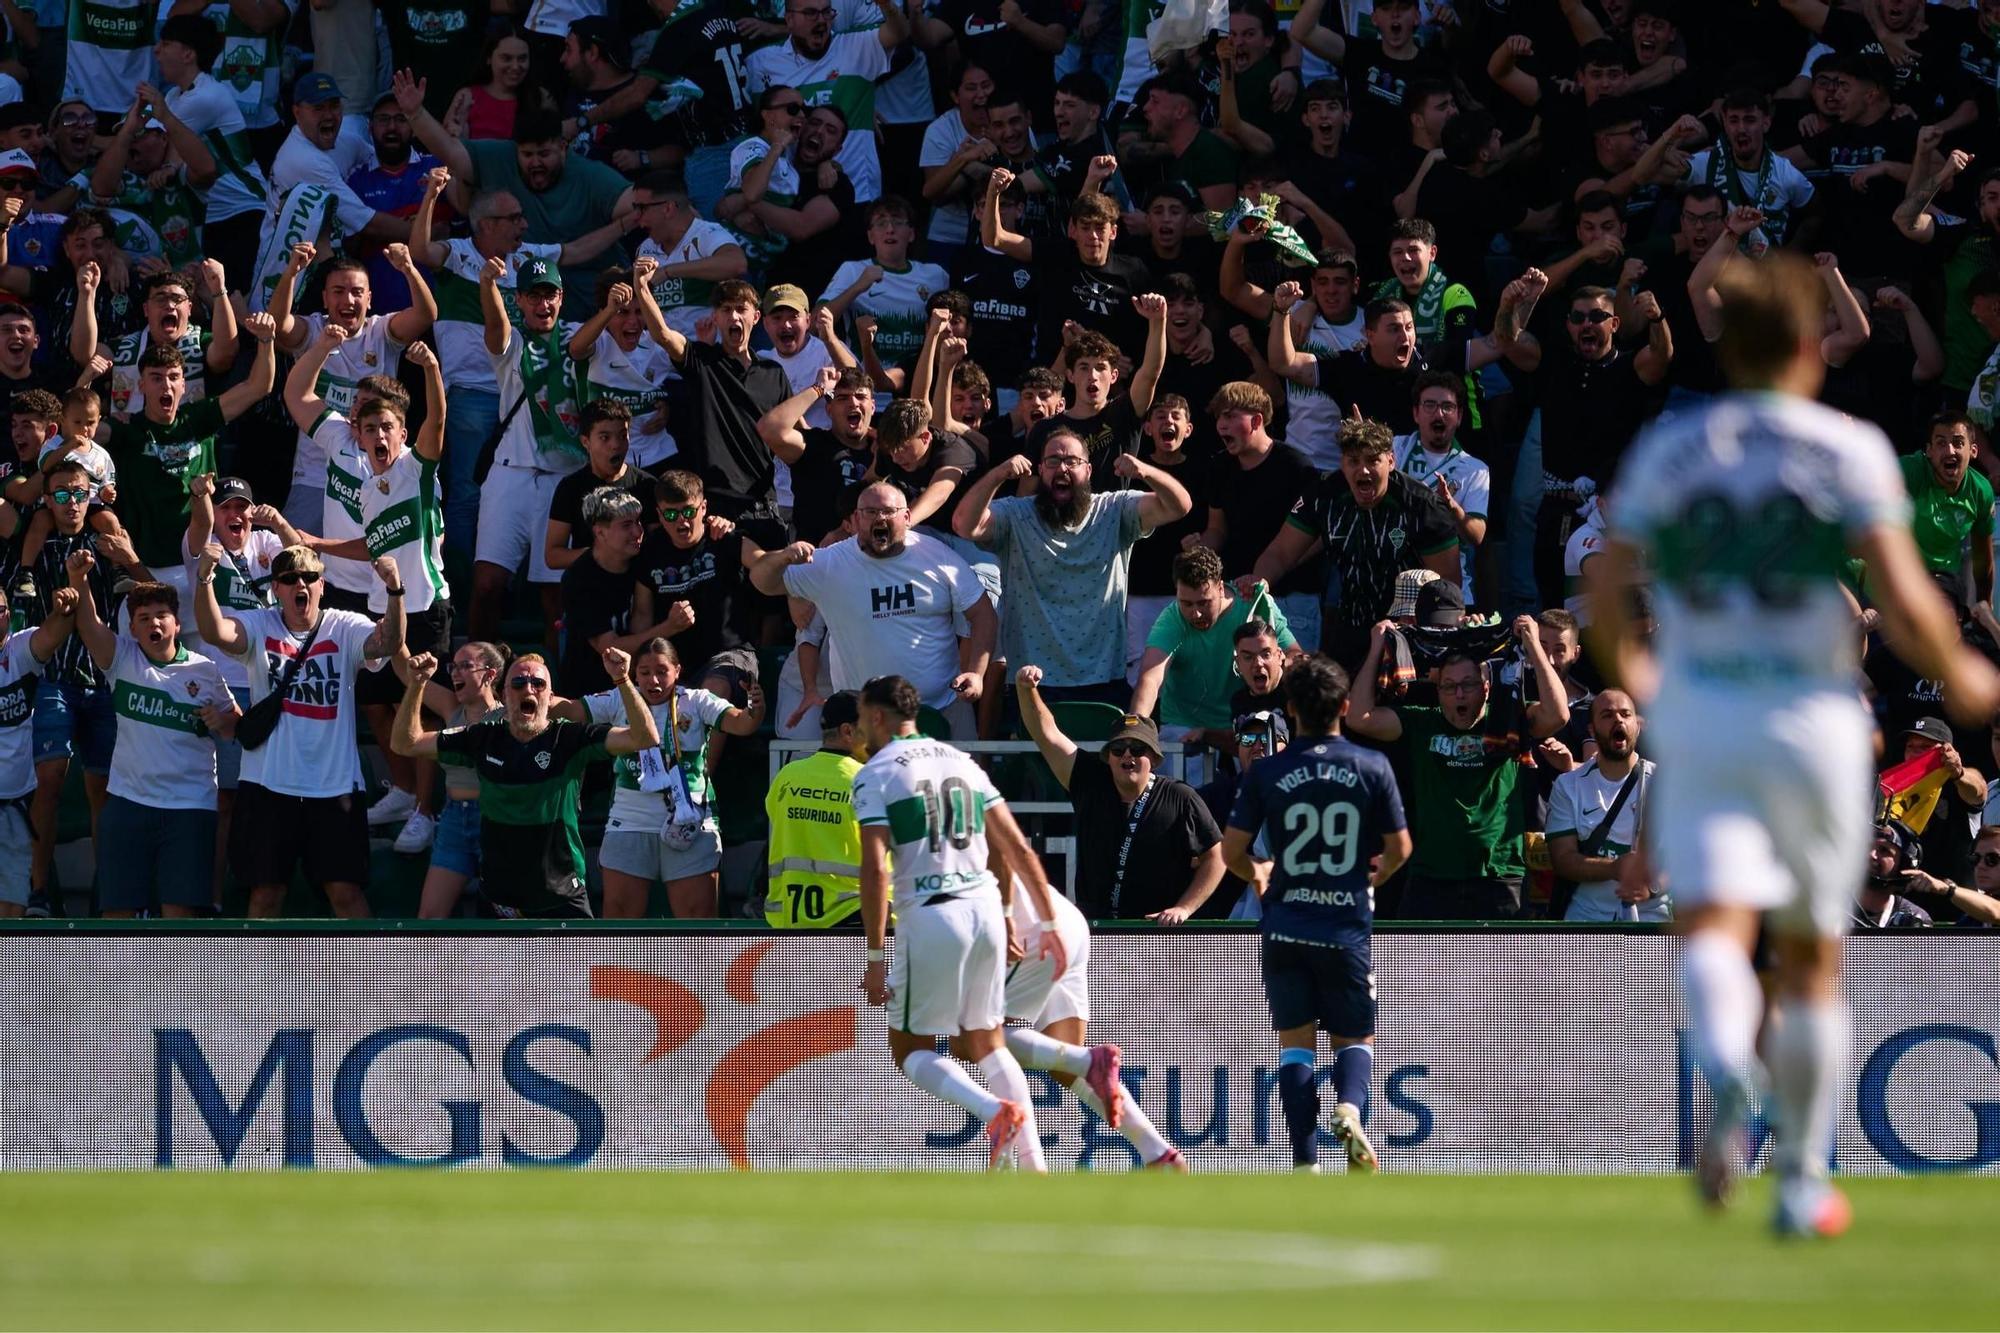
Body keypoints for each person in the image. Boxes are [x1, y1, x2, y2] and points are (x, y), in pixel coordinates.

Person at [1593, 251, 2000, 1234]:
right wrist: (1963, 672)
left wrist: (1643, 674)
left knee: (1713, 928)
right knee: (1813, 959)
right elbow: (1904, 597)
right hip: (1813, 718)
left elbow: (1606, 585)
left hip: (1706, 712)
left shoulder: (1673, 449)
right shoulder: (1844, 449)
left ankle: (1727, 1069)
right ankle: (1800, 1182)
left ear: (1726, 345)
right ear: (1812, 350)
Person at [851, 672, 1055, 1171]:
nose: (860, 728)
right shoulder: (962, 761)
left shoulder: (876, 773)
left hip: (931, 913)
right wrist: (1038, 921)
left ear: (876, 716)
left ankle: (993, 1112)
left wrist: (875, 956)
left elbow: (875, 869)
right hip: (985, 909)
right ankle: (1033, 1166)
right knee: (986, 1041)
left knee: (910, 1051)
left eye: (861, 718)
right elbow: (1015, 846)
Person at [1222, 653, 1408, 1173]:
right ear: (1345, 707)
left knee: (1295, 1046)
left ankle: (1305, 1164)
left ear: (1290, 709)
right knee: (1355, 1039)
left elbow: (1231, 852)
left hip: (1285, 927)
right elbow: (1401, 848)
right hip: (1344, 926)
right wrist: (1375, 877)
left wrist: (1259, 872)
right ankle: (1349, 1109)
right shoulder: (1371, 765)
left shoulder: (1268, 771)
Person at [284, 330, 452, 856]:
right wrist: (317, 543)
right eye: (367, 422)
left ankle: (429, 810)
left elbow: (438, 423)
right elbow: (371, 544)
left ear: (401, 431)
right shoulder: (366, 485)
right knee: (378, 703)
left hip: (423, 608)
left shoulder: (416, 469)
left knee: (421, 708)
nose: (375, 431)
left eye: (385, 425)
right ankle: (404, 794)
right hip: (381, 609)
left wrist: (431, 370)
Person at [194, 545, 407, 919]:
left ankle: (370, 961)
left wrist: (394, 591)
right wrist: (205, 579)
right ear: (276, 588)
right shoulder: (259, 623)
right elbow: (215, 632)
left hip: (335, 786)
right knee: (265, 894)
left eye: (309, 577)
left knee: (345, 893)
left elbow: (388, 642)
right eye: (290, 579)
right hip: (267, 784)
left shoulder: (344, 625)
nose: (300, 585)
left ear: (322, 585)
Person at [393, 645, 661, 918]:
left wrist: (622, 679)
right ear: (504, 695)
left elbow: (645, 737)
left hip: (562, 893)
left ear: (550, 696)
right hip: (500, 899)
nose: (528, 689)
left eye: (538, 683)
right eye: (518, 683)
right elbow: (405, 743)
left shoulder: (570, 737)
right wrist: (416, 685)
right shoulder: (482, 737)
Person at [1347, 616, 1571, 920]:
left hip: (1500, 874)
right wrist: (1376, 646)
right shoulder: (1422, 722)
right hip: (1432, 876)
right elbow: (1358, 717)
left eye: (1468, 685)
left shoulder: (1507, 717)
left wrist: (1533, 644)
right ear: (1438, 691)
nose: (1460, 695)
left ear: (1486, 688)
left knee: (1506, 955)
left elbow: (1558, 715)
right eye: (1449, 687)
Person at [953, 425, 1191, 707]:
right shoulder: (1015, 515)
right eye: (1053, 461)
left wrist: (1145, 472)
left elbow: (1179, 506)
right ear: (1040, 470)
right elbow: (964, 524)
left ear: (1088, 470)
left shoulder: (1115, 510)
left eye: (1072, 461)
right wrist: (997, 475)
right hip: (1033, 681)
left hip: (1104, 679)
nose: (1062, 468)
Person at [753, 481, 996, 739]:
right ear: (856, 519)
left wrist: (976, 673)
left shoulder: (937, 556)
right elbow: (763, 582)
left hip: (943, 708)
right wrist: (782, 558)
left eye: (889, 511)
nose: (880, 518)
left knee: (959, 767)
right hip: (866, 719)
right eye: (870, 512)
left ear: (907, 517)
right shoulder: (830, 563)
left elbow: (983, 613)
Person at [66, 569, 238, 919]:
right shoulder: (121, 659)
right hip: (128, 803)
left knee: (179, 914)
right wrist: (78, 578)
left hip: (190, 807)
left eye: (161, 615)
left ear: (177, 623)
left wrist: (223, 721)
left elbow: (236, 723)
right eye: (143, 618)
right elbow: (89, 624)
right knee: (117, 914)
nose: (153, 623)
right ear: (132, 629)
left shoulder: (205, 670)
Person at [552, 636, 762, 918]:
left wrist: (754, 707)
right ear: (635, 674)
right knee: (619, 926)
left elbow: (743, 723)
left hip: (691, 823)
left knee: (699, 927)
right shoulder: (620, 697)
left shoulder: (696, 701)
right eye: (645, 672)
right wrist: (535, 695)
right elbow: (570, 709)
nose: (653, 680)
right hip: (629, 821)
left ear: (678, 670)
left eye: (662, 671)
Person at [1014, 665, 1225, 920]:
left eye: (1137, 748)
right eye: (1118, 749)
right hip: (1099, 929)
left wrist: (1184, 908)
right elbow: (1046, 733)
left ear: (1154, 758)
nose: (1127, 755)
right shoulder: (1090, 781)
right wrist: (1026, 690)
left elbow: (1217, 857)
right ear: (1108, 757)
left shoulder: (1181, 797)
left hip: (1157, 932)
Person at [1252, 417, 1460, 671]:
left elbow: (1448, 584)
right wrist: (1259, 584)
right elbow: (1280, 553)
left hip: (1409, 629)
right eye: (1353, 461)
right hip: (1351, 622)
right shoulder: (1323, 495)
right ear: (1342, 464)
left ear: (1391, 461)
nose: (1363, 470)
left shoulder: (1421, 506)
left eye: (1373, 460)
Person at [1131, 547, 1294, 747]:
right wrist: (1135, 730)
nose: (1196, 614)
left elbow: (1294, 655)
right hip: (1184, 729)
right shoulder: (1172, 619)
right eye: (1186, 604)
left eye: (1203, 603)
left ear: (1221, 588)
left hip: (1249, 725)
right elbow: (1150, 678)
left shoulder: (1254, 603)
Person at [398, 640, 507, 919]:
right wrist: (396, 631)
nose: (455, 673)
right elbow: (404, 672)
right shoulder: (452, 707)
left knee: (503, 919)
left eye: (465, 666)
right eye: (453, 667)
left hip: (496, 819)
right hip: (454, 821)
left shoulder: (509, 715)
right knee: (429, 918)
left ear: (490, 674)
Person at [0, 583, 79, 919]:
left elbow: (51, 635)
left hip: (14, 805)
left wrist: (64, 612)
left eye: (0, 610)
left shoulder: (18, 649)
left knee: (11, 904)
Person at [1548, 690, 1662, 923]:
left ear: (1637, 726)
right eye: (1607, 715)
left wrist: (1652, 886)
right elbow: (1563, 860)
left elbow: (1687, 855)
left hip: (1652, 921)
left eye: (1625, 714)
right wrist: (1615, 868)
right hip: (1587, 921)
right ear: (1591, 730)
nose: (1618, 720)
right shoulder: (1568, 786)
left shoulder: (1665, 782)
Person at [764, 688, 865, 928]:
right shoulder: (867, 780)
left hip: (790, 920)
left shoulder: (786, 777)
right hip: (853, 919)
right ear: (848, 731)